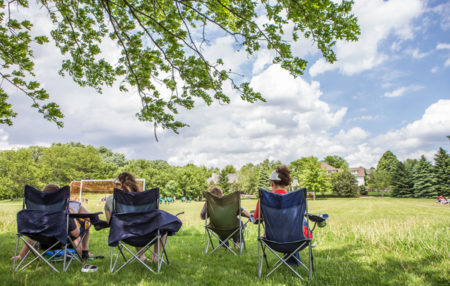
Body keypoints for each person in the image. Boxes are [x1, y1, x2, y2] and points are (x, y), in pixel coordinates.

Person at [12, 184, 105, 261]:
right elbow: (83, 224)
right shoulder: (72, 205)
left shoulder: (36, 209)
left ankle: (21, 256)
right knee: (83, 224)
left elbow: (30, 232)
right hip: (62, 238)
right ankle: (84, 252)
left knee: (34, 230)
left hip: (40, 239)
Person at [252, 165, 312, 265]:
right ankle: (293, 261)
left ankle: (291, 260)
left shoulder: (263, 199)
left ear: (271, 183)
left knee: (285, 228)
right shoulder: (295, 199)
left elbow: (256, 220)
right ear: (286, 183)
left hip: (273, 240)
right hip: (298, 239)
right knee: (302, 223)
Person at [104, 172, 167, 263]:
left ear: (121, 185)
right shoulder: (143, 198)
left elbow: (109, 221)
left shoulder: (110, 199)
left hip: (124, 235)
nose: (115, 186)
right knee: (163, 228)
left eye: (116, 184)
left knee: (133, 224)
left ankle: (141, 256)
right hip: (148, 234)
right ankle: (155, 258)